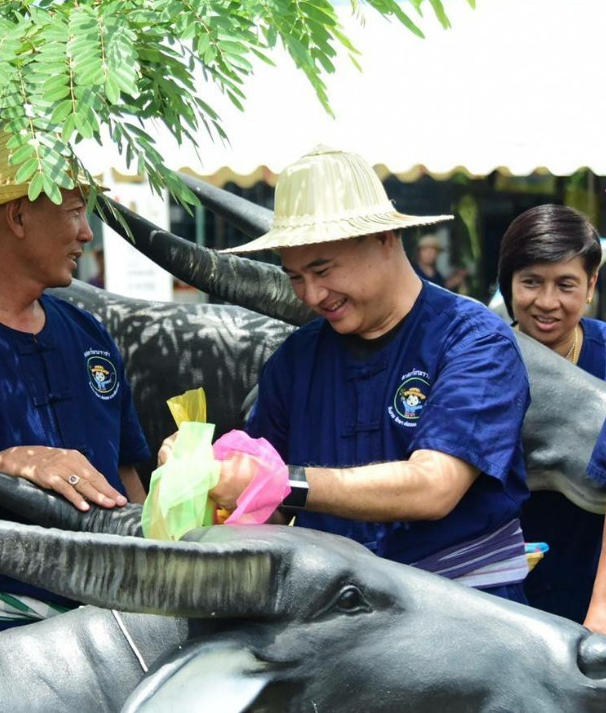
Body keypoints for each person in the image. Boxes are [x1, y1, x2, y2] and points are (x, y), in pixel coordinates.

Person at [162, 146, 531, 602]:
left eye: (323, 269)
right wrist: (203, 474)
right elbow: (267, 507)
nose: (313, 294)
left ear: (385, 239)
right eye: (295, 276)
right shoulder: (297, 359)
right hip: (336, 617)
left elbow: (434, 487)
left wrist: (280, 481)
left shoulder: (472, 341)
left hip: (458, 607)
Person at [0, 128, 150, 640]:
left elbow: (125, 475)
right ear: (18, 216)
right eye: (73, 211)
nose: (86, 232)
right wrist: (2, 467)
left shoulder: (88, 336)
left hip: (120, 625)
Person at [496, 204, 606, 626]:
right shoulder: (473, 359)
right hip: (501, 594)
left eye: (566, 285)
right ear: (508, 283)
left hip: (591, 590)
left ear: (591, 284)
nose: (547, 302)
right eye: (530, 283)